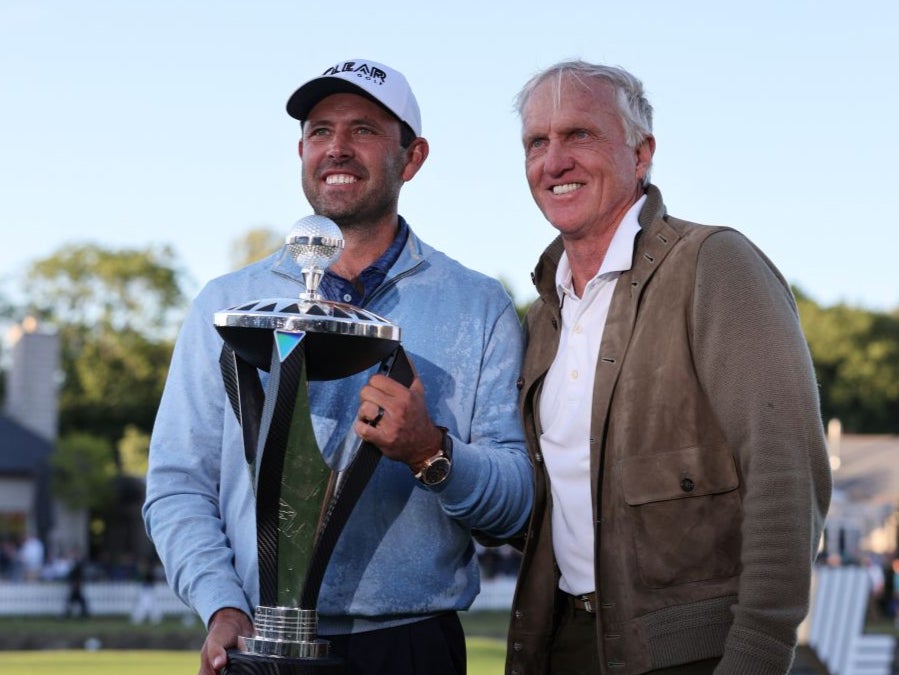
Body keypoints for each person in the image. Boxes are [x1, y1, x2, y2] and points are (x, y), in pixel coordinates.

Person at [143, 58, 532, 675]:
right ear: (300, 150)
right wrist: (220, 603)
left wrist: (432, 453)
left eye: (364, 130)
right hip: (255, 639)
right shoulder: (226, 305)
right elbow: (176, 485)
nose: (337, 149)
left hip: (411, 646)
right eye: (320, 131)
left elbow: (517, 506)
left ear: (414, 156)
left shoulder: (478, 305)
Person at [506, 60, 832, 675]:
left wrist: (758, 653)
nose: (554, 161)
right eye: (536, 143)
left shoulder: (714, 265)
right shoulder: (541, 313)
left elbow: (786, 468)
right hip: (562, 645)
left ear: (642, 152)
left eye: (580, 135)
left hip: (693, 657)